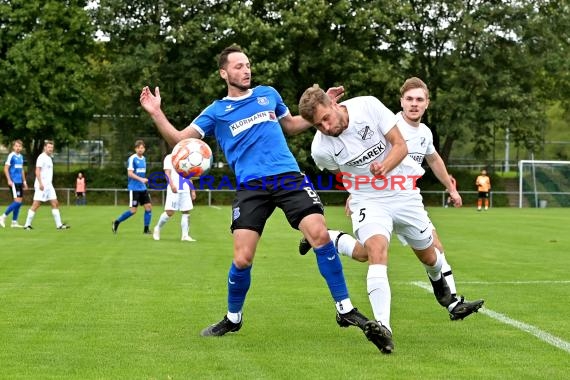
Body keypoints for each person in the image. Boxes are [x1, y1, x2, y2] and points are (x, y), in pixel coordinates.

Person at [139, 44, 387, 352]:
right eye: (239, 66)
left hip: (287, 176)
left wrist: (321, 109)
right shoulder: (216, 111)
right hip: (251, 186)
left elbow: (293, 126)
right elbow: (179, 139)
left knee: (319, 234)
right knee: (242, 258)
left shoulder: (268, 94)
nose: (246, 70)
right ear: (224, 72)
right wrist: (157, 112)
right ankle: (233, 317)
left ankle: (345, 308)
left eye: (248, 65)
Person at [298, 83, 484, 353]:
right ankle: (383, 328)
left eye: (326, 118)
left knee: (430, 255)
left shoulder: (369, 106)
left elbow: (400, 146)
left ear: (334, 105)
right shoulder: (320, 149)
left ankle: (442, 289)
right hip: (370, 201)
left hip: (405, 195)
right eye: (318, 125)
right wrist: (356, 191)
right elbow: (343, 173)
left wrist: (383, 167)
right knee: (375, 251)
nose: (325, 128)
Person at [23, 140, 70, 230]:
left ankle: (59, 225)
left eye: (52, 147)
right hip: (42, 185)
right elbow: (37, 171)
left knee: (55, 203)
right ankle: (26, 225)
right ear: (45, 147)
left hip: (49, 186)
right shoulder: (41, 157)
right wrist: (40, 183)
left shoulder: (49, 158)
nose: (50, 149)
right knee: (36, 204)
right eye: (49, 147)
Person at [152, 153, 197, 242]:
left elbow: (189, 175)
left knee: (186, 211)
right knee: (170, 212)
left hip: (185, 189)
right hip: (174, 189)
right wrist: (172, 185)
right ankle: (157, 228)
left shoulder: (187, 157)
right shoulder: (169, 157)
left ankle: (185, 235)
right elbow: (167, 174)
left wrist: (192, 190)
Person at [112, 140, 153, 234]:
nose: (140, 150)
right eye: (139, 148)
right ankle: (116, 222)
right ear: (135, 149)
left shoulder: (144, 159)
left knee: (148, 207)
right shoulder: (132, 159)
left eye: (142, 148)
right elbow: (130, 174)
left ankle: (146, 230)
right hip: (134, 189)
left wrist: (143, 181)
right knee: (133, 211)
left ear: (144, 149)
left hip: (143, 188)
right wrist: (141, 179)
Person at [0, 139, 28, 228]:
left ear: (22, 147)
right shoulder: (11, 156)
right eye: (16, 146)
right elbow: (5, 168)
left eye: (19, 146)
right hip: (13, 182)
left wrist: (24, 181)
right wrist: (9, 180)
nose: (18, 148)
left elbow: (22, 170)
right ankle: (3, 216)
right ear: (13, 147)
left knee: (19, 202)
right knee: (17, 202)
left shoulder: (21, 157)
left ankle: (14, 222)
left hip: (19, 182)